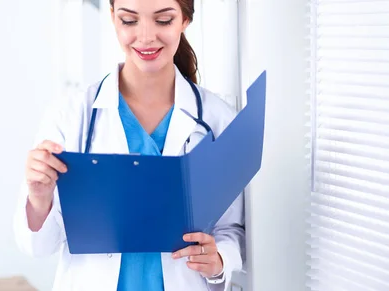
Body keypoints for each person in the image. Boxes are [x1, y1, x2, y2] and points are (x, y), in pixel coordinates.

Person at [13, 0, 245, 290]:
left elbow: (232, 229)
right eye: (129, 20)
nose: (146, 36)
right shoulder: (71, 116)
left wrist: (219, 259)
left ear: (185, 20)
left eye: (163, 20)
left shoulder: (218, 119)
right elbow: (38, 247)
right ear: (113, 18)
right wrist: (39, 198)